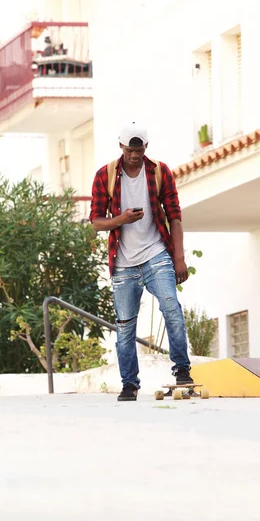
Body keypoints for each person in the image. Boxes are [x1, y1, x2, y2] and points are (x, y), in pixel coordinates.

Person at [90, 122, 193, 401]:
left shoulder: (160, 172)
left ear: (145, 148)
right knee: (125, 326)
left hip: (156, 253)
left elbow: (174, 215)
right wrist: (121, 219)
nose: (134, 155)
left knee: (172, 308)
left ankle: (182, 371)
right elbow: (96, 222)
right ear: (121, 147)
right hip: (122, 262)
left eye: (139, 150)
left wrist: (179, 258)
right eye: (129, 150)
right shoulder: (106, 176)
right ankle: (129, 384)